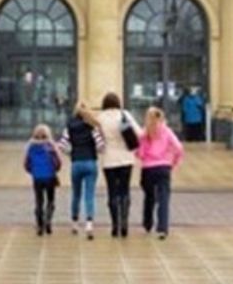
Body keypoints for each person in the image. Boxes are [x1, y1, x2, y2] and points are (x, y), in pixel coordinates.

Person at [78, 92, 143, 238]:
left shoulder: (101, 118)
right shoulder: (124, 114)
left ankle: (115, 226)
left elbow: (93, 131)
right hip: (126, 158)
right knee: (125, 191)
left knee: (112, 192)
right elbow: (139, 133)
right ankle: (125, 224)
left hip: (109, 160)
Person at [136, 106, 184, 239]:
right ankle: (162, 228)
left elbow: (139, 153)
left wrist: (144, 157)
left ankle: (147, 223)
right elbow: (179, 148)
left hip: (148, 169)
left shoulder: (144, 133)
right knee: (163, 198)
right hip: (164, 167)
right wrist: (173, 162)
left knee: (149, 197)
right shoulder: (167, 131)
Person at [57, 106, 105, 239]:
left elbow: (61, 145)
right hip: (90, 162)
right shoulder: (92, 127)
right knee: (89, 195)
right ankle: (89, 223)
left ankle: (74, 223)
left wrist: (71, 153)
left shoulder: (70, 127)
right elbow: (100, 146)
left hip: (76, 163)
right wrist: (98, 150)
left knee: (76, 194)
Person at [23, 124, 61, 235]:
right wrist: (55, 170)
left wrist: (33, 171)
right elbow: (58, 162)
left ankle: (40, 225)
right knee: (50, 200)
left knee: (39, 201)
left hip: (37, 177)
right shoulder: (51, 145)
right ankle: (48, 221)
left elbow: (26, 163)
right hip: (50, 176)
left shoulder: (31, 146)